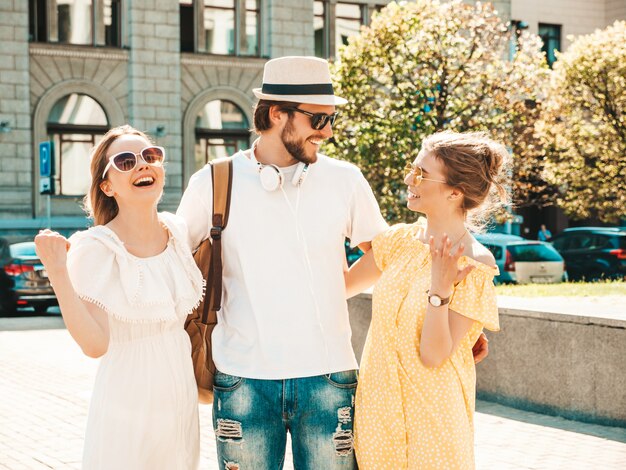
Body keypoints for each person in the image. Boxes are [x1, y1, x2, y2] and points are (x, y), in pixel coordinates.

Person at [178, 56, 488, 468]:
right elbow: (173, 264)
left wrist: (454, 319)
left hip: (330, 379)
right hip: (243, 379)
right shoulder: (213, 182)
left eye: (331, 120)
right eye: (317, 119)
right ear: (275, 113)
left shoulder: (345, 179)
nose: (326, 132)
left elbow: (388, 254)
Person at [35, 125, 203, 469]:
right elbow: (95, 344)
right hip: (128, 397)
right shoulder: (97, 247)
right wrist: (57, 271)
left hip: (178, 392)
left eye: (150, 156)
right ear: (107, 186)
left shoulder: (178, 231)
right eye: (126, 161)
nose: (143, 165)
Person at [346, 131, 508, 469]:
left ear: (454, 191)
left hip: (433, 426)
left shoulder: (476, 263)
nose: (409, 179)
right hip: (377, 418)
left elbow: (434, 355)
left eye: (421, 173)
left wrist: (440, 288)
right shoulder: (398, 241)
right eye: (412, 168)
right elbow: (341, 287)